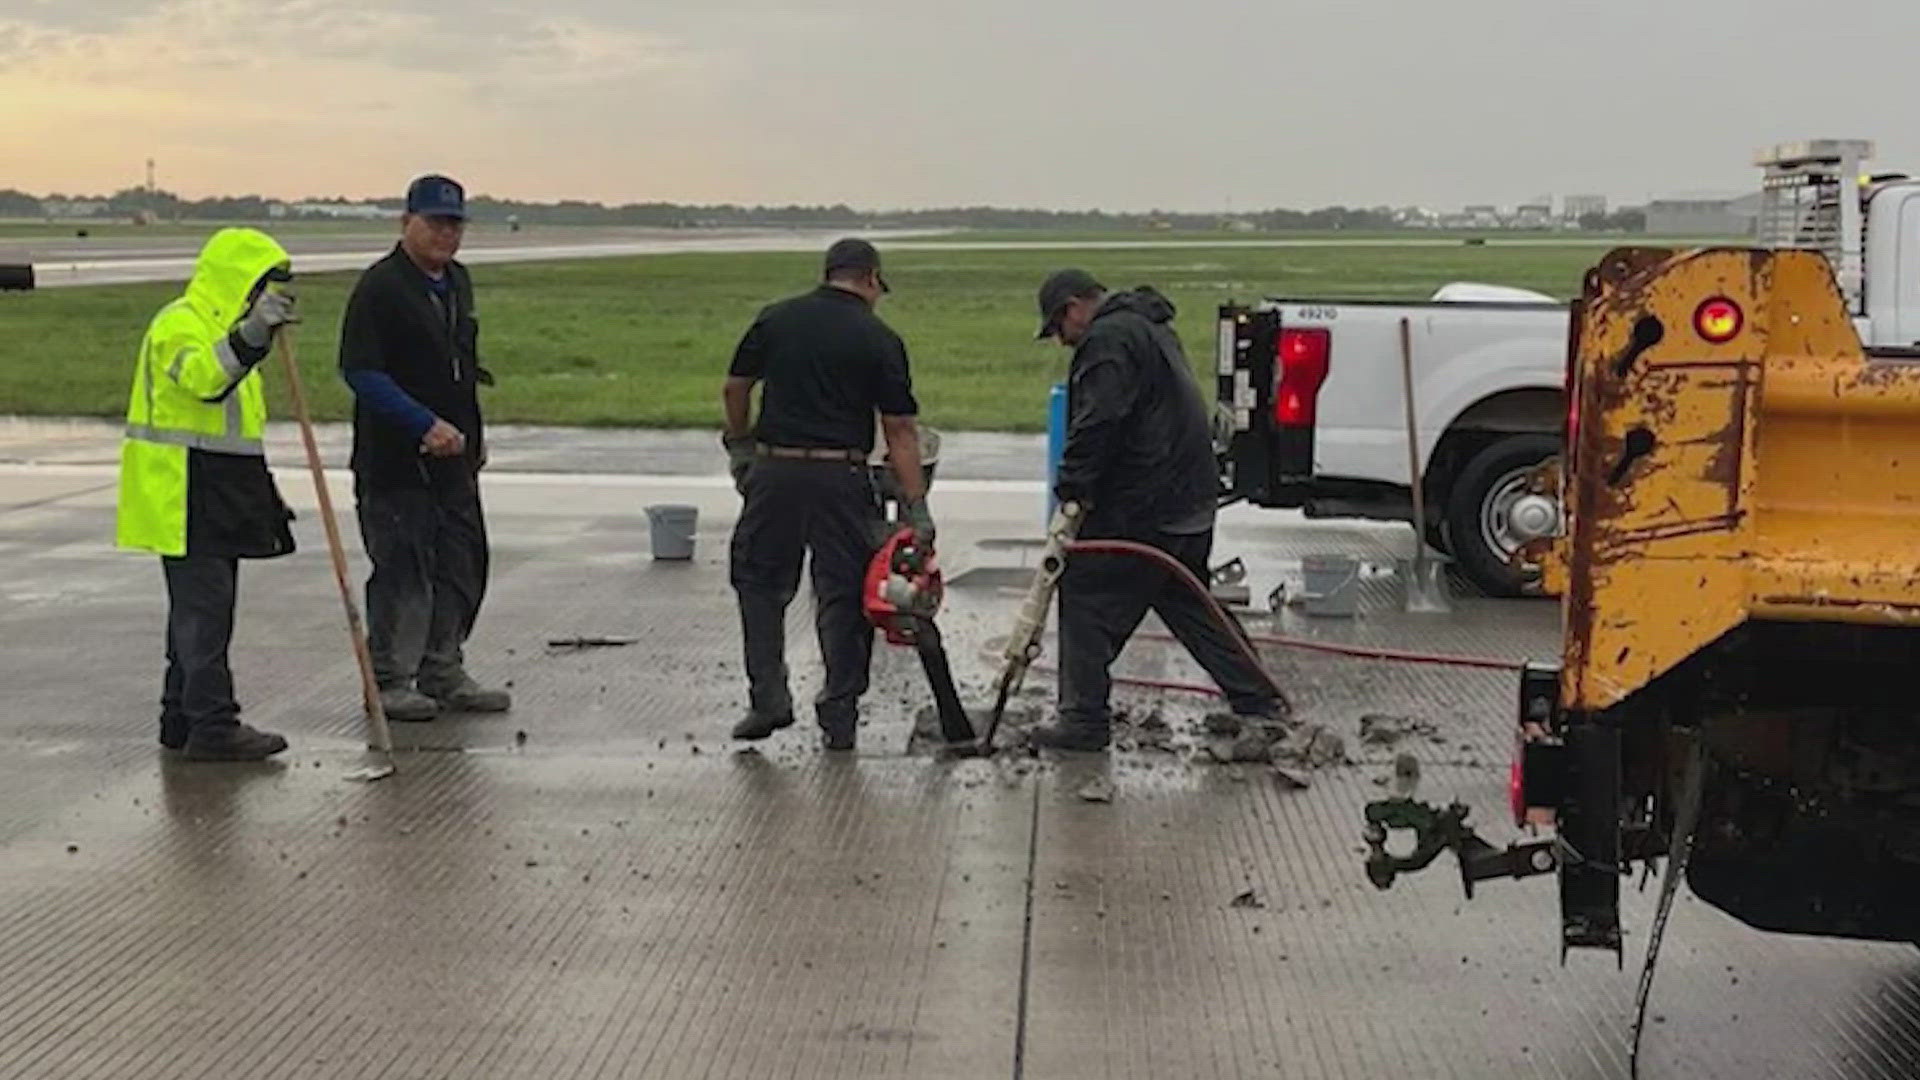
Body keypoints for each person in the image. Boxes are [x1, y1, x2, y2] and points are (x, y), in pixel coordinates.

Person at [1028, 269, 1288, 751]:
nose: (1062, 343)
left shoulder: (1107, 340)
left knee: (1084, 594)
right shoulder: (1150, 328)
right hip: (1190, 497)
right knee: (1188, 601)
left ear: (1071, 308)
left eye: (1058, 331)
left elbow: (1099, 419)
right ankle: (1258, 696)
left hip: (1147, 501)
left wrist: (1074, 487)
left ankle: (1083, 721)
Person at [722, 238, 933, 751]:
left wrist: (740, 445)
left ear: (828, 273)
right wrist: (917, 506)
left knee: (759, 583)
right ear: (870, 279)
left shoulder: (775, 319)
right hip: (841, 478)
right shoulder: (879, 337)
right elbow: (900, 430)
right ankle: (839, 712)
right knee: (842, 595)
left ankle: (768, 697)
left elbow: (735, 388)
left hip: (775, 472)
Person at [117, 228, 300, 761]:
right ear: (235, 279)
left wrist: (263, 496)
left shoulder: (221, 329)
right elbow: (204, 380)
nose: (262, 295)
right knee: (205, 616)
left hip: (217, 489)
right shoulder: (179, 325)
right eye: (260, 284)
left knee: (194, 617)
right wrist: (251, 335)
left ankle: (181, 718)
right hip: (182, 493)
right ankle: (214, 727)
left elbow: (236, 432)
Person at [337, 174, 509, 722]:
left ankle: (443, 667)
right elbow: (361, 371)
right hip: (396, 463)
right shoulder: (381, 288)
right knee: (402, 568)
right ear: (406, 222)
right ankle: (389, 679)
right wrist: (421, 424)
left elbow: (462, 366)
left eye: (454, 225)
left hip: (455, 461)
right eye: (435, 223)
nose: (446, 235)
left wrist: (472, 436)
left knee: (463, 562)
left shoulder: (457, 282)